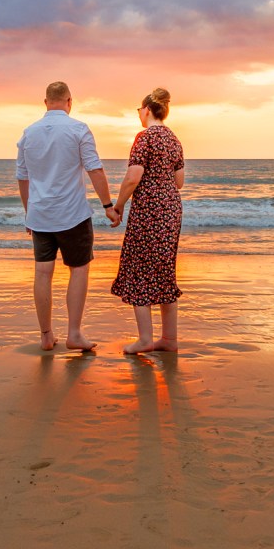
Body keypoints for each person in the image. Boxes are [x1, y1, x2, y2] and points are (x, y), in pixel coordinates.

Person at [16, 81, 113, 352]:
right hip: (73, 215)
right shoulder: (78, 129)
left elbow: (23, 178)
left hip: (40, 215)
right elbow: (95, 169)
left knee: (43, 273)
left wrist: (29, 214)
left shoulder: (28, 133)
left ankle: (46, 336)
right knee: (79, 270)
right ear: (70, 101)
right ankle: (74, 334)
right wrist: (108, 205)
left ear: (45, 102)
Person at [107, 87, 185, 354]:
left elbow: (132, 177)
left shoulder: (145, 138)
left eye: (139, 109)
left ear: (148, 110)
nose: (139, 114)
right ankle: (169, 339)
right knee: (164, 270)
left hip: (149, 212)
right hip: (171, 210)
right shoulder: (174, 140)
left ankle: (144, 339)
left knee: (141, 270)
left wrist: (117, 206)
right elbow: (179, 182)